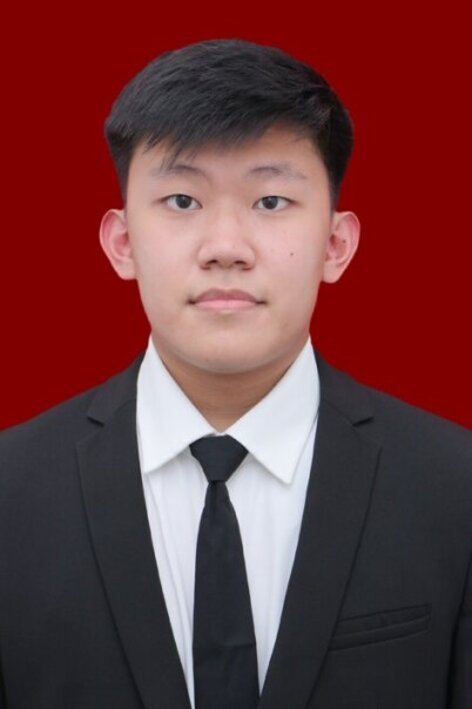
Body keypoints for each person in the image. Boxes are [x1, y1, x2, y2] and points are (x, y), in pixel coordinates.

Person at [0, 38, 470, 709]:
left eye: (270, 201)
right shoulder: (11, 493)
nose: (226, 248)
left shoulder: (455, 488)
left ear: (336, 244)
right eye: (182, 200)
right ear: (122, 243)